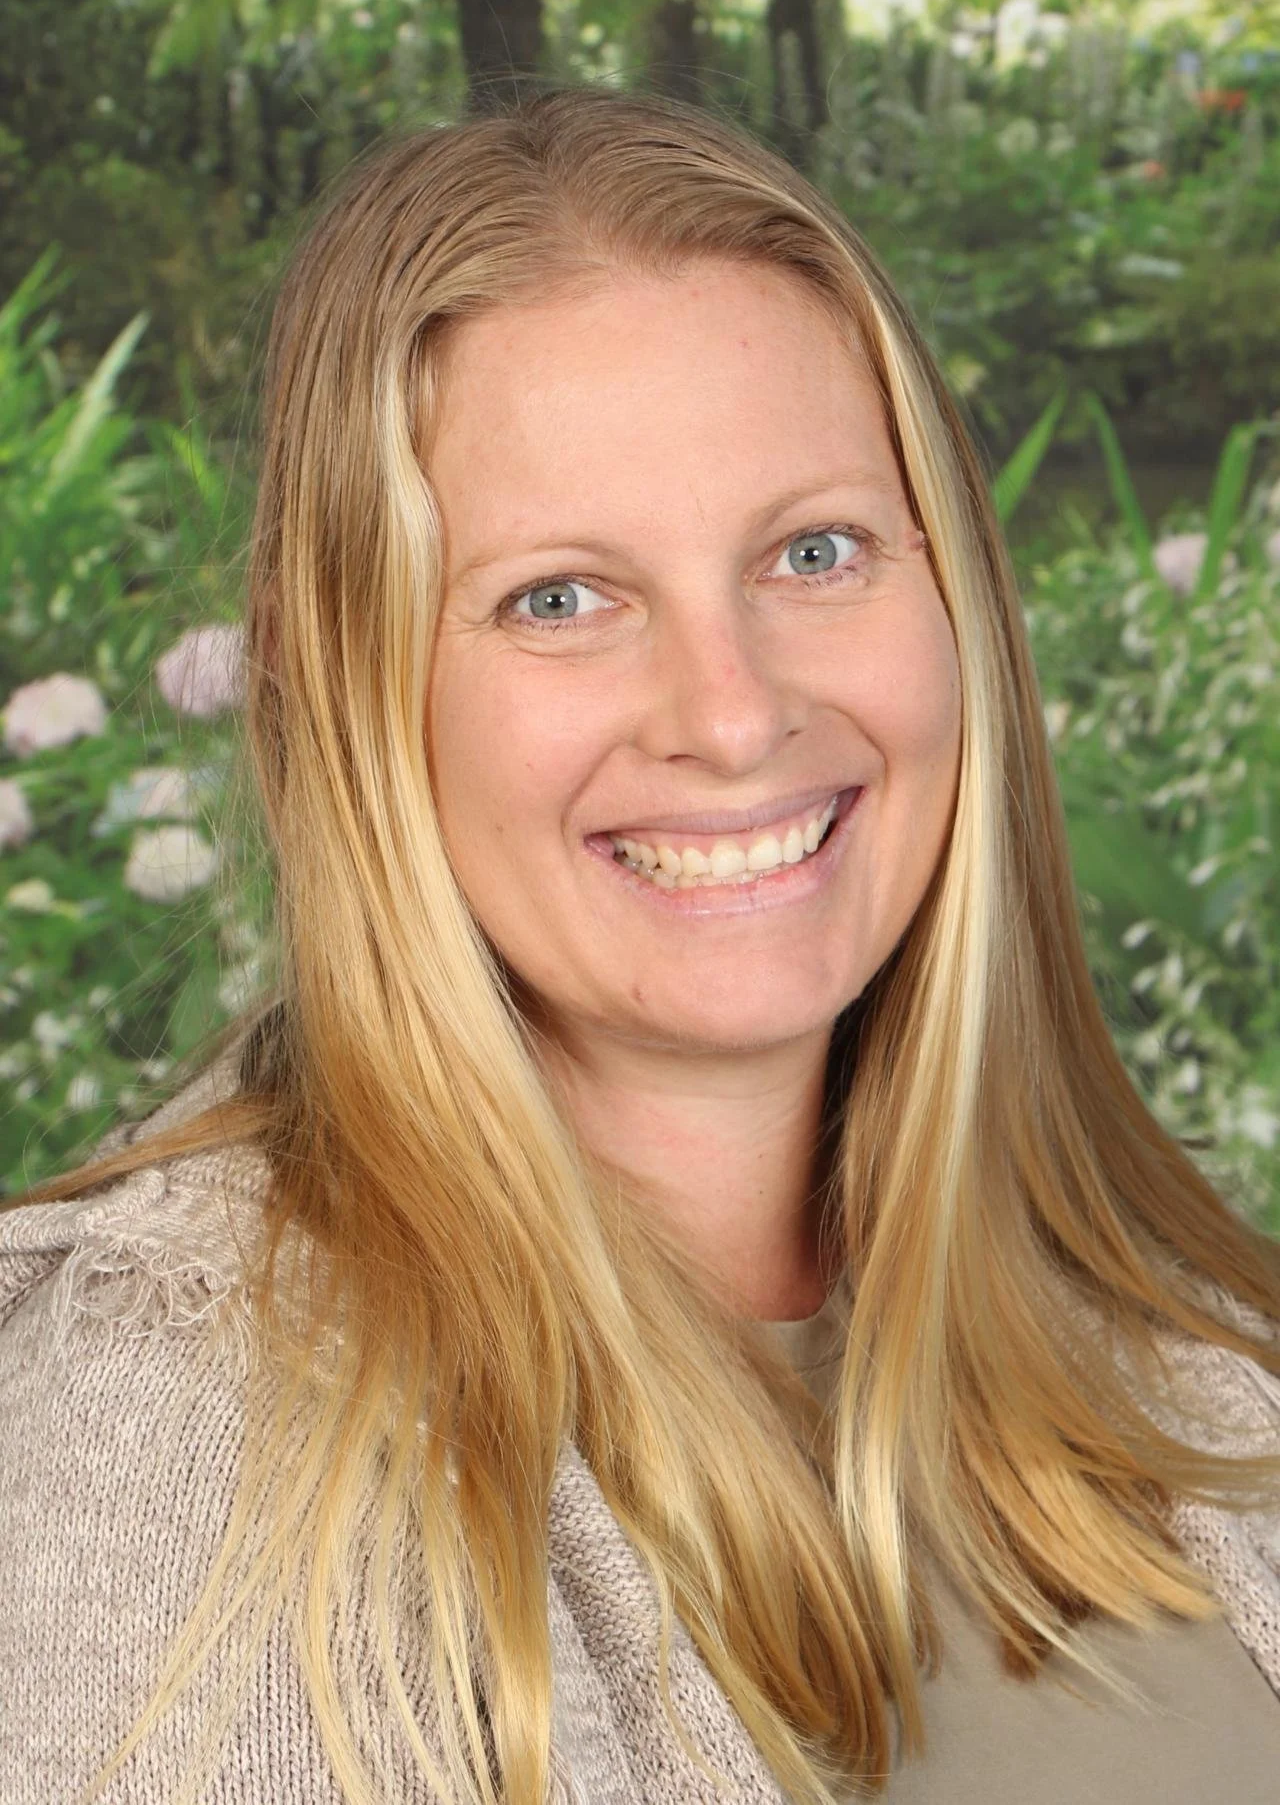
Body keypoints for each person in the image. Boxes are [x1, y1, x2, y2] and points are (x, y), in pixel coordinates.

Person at [2, 86, 1280, 1805]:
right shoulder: (159, 1450)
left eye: (814, 550)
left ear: (956, 594)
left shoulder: (1184, 1331)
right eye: (560, 598)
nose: (734, 713)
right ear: (345, 691)